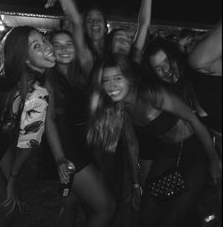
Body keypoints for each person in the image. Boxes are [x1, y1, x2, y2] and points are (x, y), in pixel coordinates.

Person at [87, 53, 221, 227]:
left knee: (174, 216)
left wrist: (213, 159)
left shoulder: (151, 94)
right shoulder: (121, 106)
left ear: (130, 78)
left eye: (117, 78)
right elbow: (132, 144)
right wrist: (136, 184)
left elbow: (194, 120)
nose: (111, 85)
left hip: (195, 154)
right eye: (105, 80)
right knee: (149, 210)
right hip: (168, 154)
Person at [41, 29, 115, 227]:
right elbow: (49, 121)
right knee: (106, 207)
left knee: (71, 202)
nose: (64, 48)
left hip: (80, 145)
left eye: (69, 44)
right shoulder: (50, 79)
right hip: (68, 151)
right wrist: (60, 159)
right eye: (58, 44)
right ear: (50, 49)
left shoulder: (78, 76)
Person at [0, 26, 55, 226]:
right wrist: (13, 179)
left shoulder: (6, 76)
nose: (47, 47)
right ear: (25, 59)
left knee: (8, 204)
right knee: (7, 213)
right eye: (37, 46)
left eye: (43, 40)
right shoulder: (37, 94)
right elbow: (29, 143)